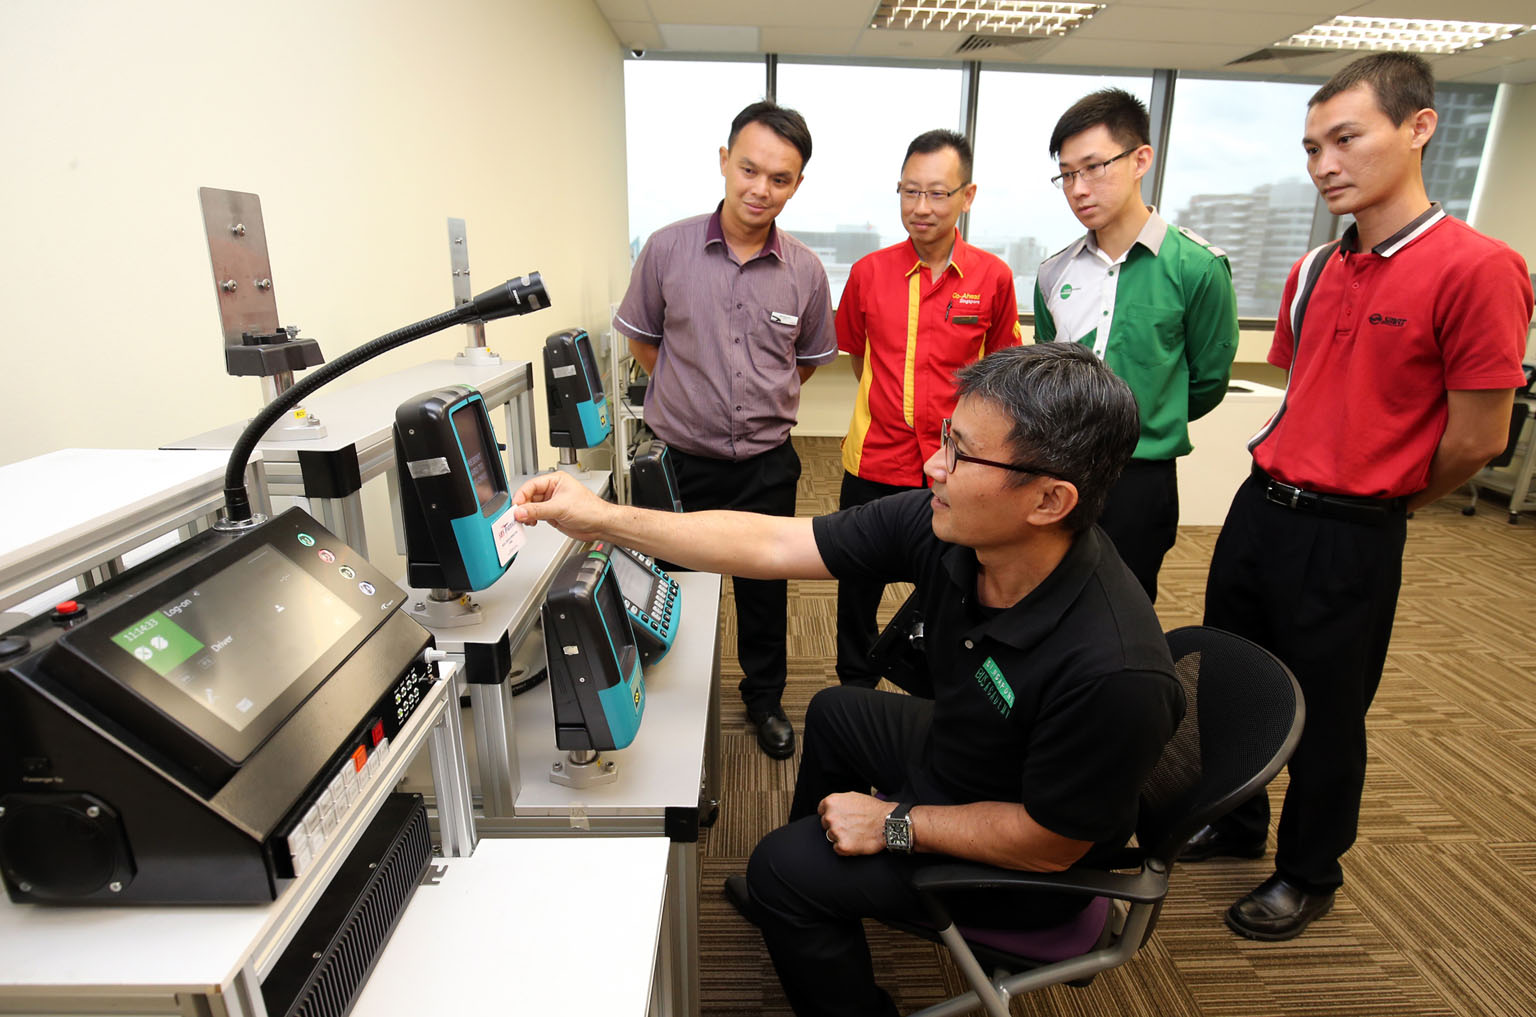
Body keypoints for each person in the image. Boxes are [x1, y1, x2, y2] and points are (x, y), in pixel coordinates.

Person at [511, 344, 1184, 1017]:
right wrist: (598, 517)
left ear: (1049, 499)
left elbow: (1049, 842)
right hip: (974, 755)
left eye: (962, 454)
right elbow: (775, 544)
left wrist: (896, 824)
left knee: (780, 865)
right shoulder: (956, 530)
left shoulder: (1113, 669)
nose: (933, 465)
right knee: (837, 711)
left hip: (1023, 864)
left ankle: (814, 918)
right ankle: (817, 891)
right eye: (946, 438)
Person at [1187, 53, 1533, 942]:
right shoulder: (1313, 270)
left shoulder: (1478, 268)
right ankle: (1234, 819)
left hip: (1352, 533)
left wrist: (1391, 502)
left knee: (1328, 713)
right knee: (1230, 678)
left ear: (1420, 127)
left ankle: (1308, 870)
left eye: (1346, 138)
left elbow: (1479, 438)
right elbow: (1311, 392)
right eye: (1311, 148)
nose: (1324, 164)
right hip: (1260, 509)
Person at [613, 100, 838, 759]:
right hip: (681, 464)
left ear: (796, 185)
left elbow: (808, 362)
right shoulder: (667, 249)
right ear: (724, 161)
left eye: (779, 178)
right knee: (669, 590)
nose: (759, 188)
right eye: (749, 168)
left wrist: (757, 402)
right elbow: (646, 345)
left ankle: (763, 698)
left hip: (768, 464)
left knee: (765, 595)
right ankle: (671, 702)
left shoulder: (805, 271)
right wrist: (694, 400)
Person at [833, 128, 1022, 689]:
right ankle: (853, 687)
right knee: (855, 587)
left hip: (954, 470)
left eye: (938, 193)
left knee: (952, 589)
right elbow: (859, 357)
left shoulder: (993, 277)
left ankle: (938, 696)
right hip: (872, 462)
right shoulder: (868, 272)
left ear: (968, 195)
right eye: (909, 192)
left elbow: (1000, 376)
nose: (921, 207)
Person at [1034, 88, 1239, 602]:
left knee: (1124, 607)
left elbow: (1207, 382)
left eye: (1094, 167)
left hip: (1140, 478)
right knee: (1045, 597)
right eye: (1066, 175)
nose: (1079, 188)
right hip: (1059, 468)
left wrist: (1143, 423)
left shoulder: (1197, 267)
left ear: (1140, 159)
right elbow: (1047, 367)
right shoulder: (1052, 271)